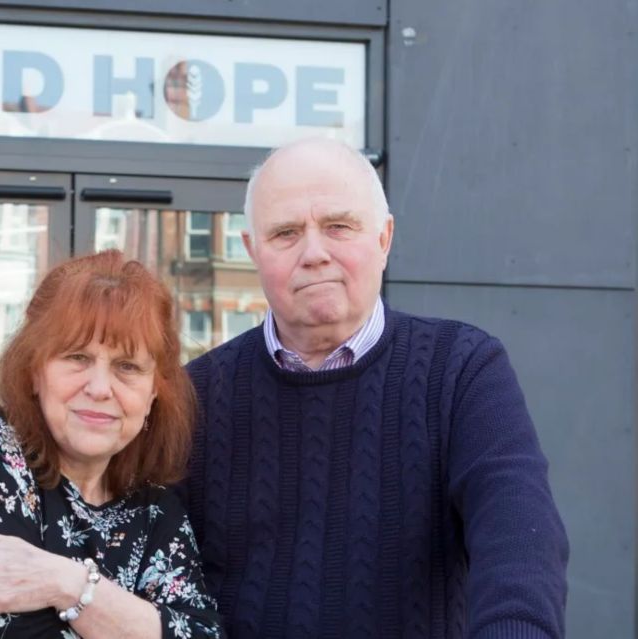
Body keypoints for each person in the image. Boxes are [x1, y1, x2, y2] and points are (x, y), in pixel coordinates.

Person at [181, 138, 569, 638]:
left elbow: (519, 540)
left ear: (384, 238)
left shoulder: (463, 368)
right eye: (286, 233)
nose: (314, 253)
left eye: (339, 226)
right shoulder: (196, 396)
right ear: (253, 250)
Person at [0, 251, 222, 639]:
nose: (99, 389)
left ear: (153, 394)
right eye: (77, 357)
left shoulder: (154, 510)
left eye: (127, 367)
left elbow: (202, 633)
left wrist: (67, 583)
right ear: (33, 372)